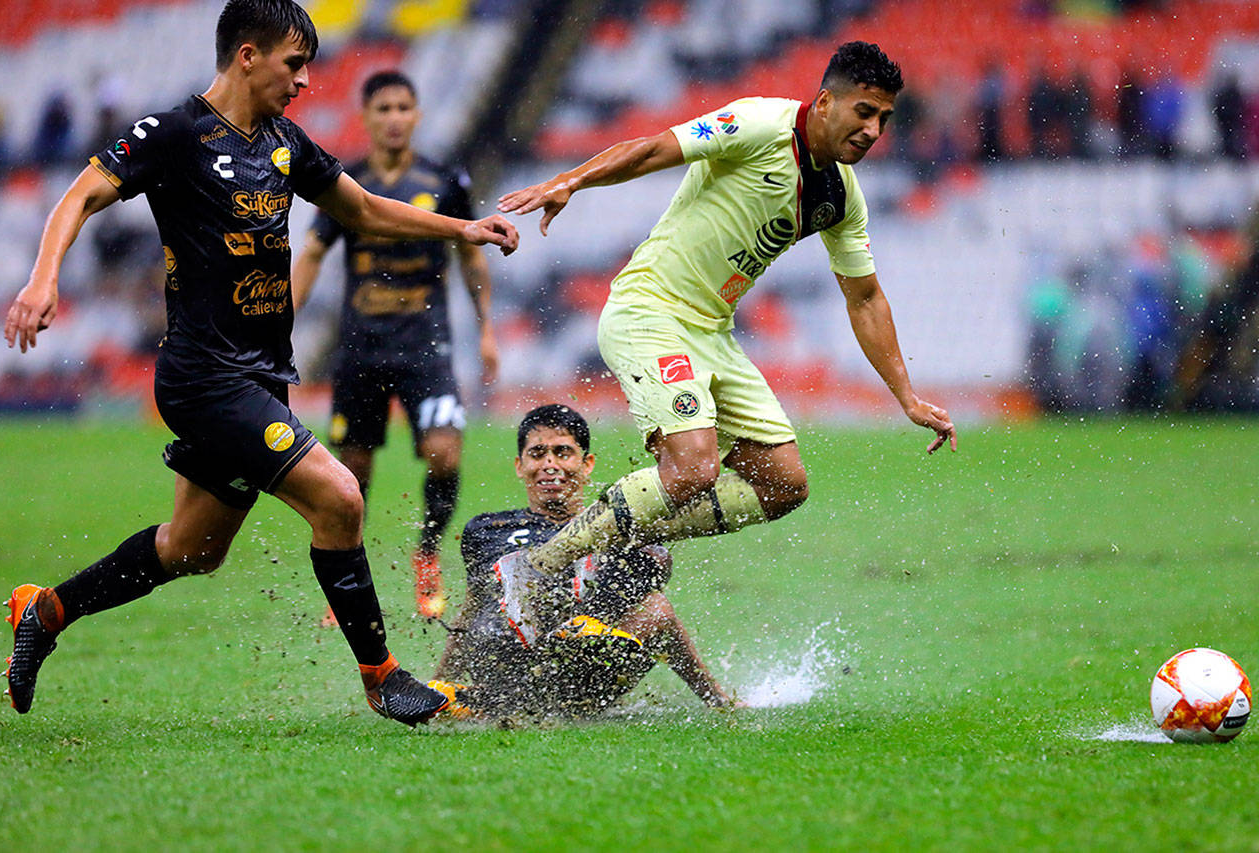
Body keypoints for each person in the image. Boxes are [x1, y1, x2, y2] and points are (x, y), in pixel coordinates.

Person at [1, 0, 518, 727]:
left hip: (259, 376)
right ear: (248, 54)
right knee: (340, 498)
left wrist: (462, 225)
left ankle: (46, 609)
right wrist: (42, 277)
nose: (305, 79)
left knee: (192, 548)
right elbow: (82, 192)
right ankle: (384, 677)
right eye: (293, 63)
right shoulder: (175, 133)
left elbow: (364, 209)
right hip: (203, 379)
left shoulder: (284, 141)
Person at [492, 41, 955, 645]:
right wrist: (572, 181)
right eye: (864, 112)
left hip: (712, 332)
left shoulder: (839, 197)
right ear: (825, 102)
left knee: (784, 483)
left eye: (884, 120)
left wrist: (907, 397)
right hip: (650, 311)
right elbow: (658, 147)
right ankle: (537, 569)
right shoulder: (760, 123)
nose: (873, 131)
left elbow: (864, 297)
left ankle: (615, 526)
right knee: (693, 467)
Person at [292, 70, 496, 621]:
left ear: (418, 115)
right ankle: (347, 577)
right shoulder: (345, 183)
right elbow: (312, 252)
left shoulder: (444, 180)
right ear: (366, 117)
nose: (395, 118)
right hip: (360, 351)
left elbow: (471, 255)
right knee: (350, 474)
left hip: (427, 348)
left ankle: (427, 552)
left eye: (404, 107)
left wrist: (486, 329)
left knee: (444, 454)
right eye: (383, 108)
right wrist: (281, 319)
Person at [428, 404, 735, 719]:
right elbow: (472, 610)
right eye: (538, 454)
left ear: (587, 464)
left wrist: (718, 700)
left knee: (655, 607)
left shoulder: (618, 529)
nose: (550, 464)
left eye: (563, 452)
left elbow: (664, 622)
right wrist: (439, 681)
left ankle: (518, 704)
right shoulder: (488, 530)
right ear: (520, 466)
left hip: (580, 677)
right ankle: (482, 700)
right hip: (509, 669)